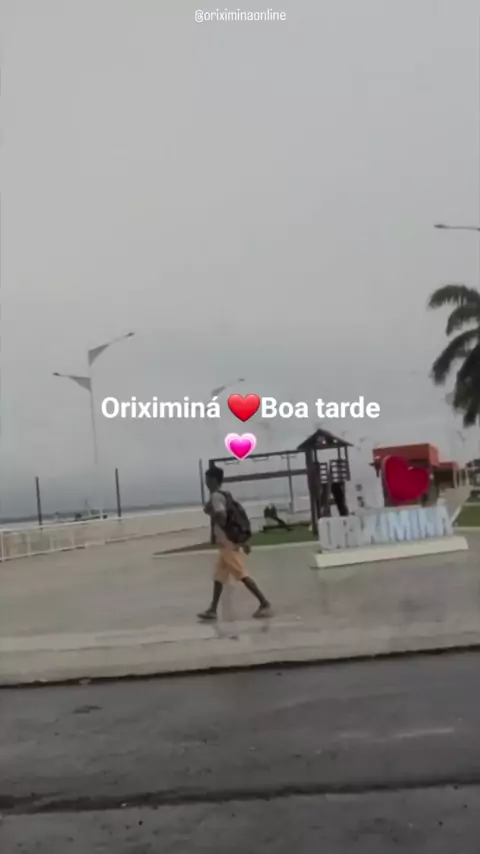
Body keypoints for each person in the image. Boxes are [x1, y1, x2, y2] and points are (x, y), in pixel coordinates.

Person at [198, 465, 272, 621]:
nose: (205, 482)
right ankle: (212, 610)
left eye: (207, 479)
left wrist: (213, 513)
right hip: (226, 545)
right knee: (218, 577)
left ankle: (264, 603)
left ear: (213, 480)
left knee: (242, 575)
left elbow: (222, 517)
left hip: (228, 545)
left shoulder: (216, 497)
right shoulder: (224, 495)